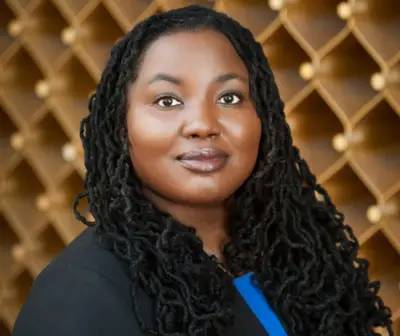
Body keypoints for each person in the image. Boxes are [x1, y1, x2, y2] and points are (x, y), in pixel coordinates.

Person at [12, 5, 393, 336]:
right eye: (167, 100)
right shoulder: (80, 295)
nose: (203, 124)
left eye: (229, 98)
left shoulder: (296, 251)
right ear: (120, 125)